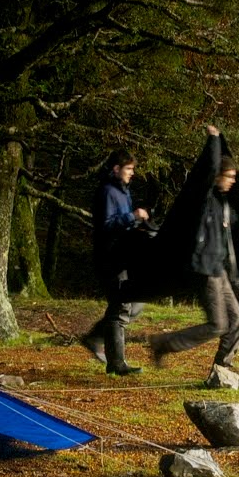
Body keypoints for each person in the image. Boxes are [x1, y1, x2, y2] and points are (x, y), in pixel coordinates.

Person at [148, 126, 239, 371]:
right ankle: (163, 343)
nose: (232, 181)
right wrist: (214, 140)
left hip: (219, 270)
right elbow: (208, 169)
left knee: (237, 321)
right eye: (228, 176)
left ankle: (222, 369)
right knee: (218, 325)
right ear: (217, 176)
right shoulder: (204, 200)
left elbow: (238, 222)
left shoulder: (222, 204)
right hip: (205, 270)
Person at [78, 149, 149, 376]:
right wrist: (133, 216)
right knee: (120, 307)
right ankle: (116, 364)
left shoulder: (121, 191)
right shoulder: (108, 191)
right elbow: (107, 226)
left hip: (123, 256)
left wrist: (137, 224)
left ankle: (95, 338)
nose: (132, 173)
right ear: (116, 169)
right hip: (111, 258)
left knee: (135, 302)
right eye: (129, 168)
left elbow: (121, 225)